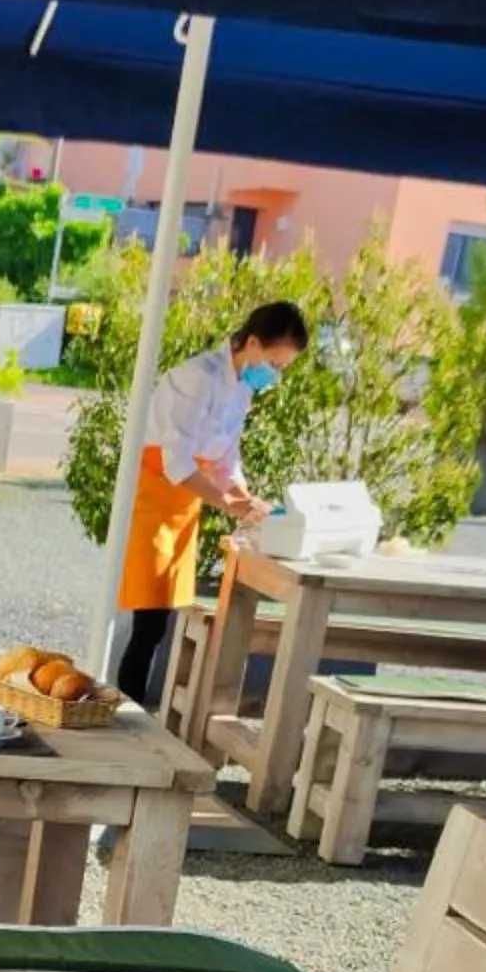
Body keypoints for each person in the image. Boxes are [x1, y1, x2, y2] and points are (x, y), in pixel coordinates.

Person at [114, 301, 310, 708]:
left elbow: (224, 457)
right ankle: (124, 710)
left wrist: (248, 498)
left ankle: (131, 711)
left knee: (161, 619)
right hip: (152, 498)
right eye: (274, 362)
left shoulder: (241, 387)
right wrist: (230, 505)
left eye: (282, 368)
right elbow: (177, 462)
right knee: (147, 619)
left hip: (185, 502)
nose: (274, 374)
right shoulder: (197, 378)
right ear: (252, 343)